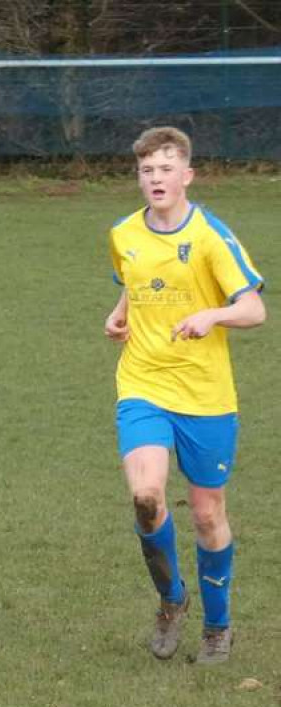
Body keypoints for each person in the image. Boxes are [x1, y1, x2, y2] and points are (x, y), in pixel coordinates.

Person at [104, 126, 266, 665]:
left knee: (205, 513)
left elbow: (254, 308)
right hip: (143, 383)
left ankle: (218, 627)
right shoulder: (123, 233)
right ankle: (171, 600)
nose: (156, 178)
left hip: (206, 396)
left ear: (187, 176)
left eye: (166, 169)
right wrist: (121, 311)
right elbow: (135, 277)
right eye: (147, 170)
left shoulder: (211, 236)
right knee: (147, 498)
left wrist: (212, 314)